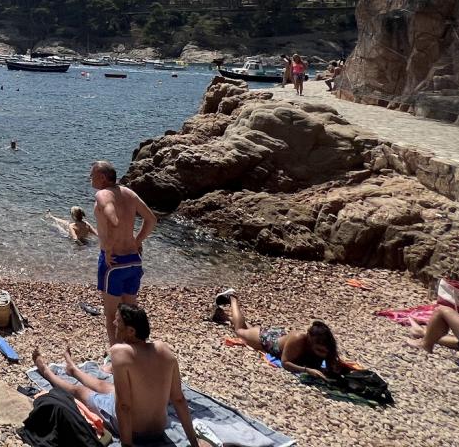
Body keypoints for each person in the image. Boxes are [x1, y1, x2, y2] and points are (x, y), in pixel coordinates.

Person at [31, 305, 211, 447]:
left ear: (131, 331)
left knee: (80, 390)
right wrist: (194, 443)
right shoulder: (163, 349)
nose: (114, 324)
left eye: (118, 321)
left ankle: (46, 372)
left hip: (135, 433)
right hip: (159, 429)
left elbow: (123, 406)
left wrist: (126, 444)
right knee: (107, 388)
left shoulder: (119, 353)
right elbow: (178, 399)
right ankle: (74, 370)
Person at [92, 160, 157, 345]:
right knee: (130, 312)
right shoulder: (129, 193)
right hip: (133, 261)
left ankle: (116, 357)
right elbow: (151, 220)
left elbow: (113, 219)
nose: (90, 178)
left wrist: (109, 248)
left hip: (115, 263)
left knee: (113, 316)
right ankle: (134, 352)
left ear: (102, 177)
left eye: (92, 175)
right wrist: (137, 241)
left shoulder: (103, 194)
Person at [210, 290, 347, 378]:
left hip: (279, 337)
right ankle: (233, 298)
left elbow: (332, 366)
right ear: (310, 342)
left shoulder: (327, 347)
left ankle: (223, 317)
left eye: (324, 351)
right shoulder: (298, 338)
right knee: (240, 331)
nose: (322, 354)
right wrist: (307, 370)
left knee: (247, 330)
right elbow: (285, 362)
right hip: (268, 340)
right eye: (319, 350)